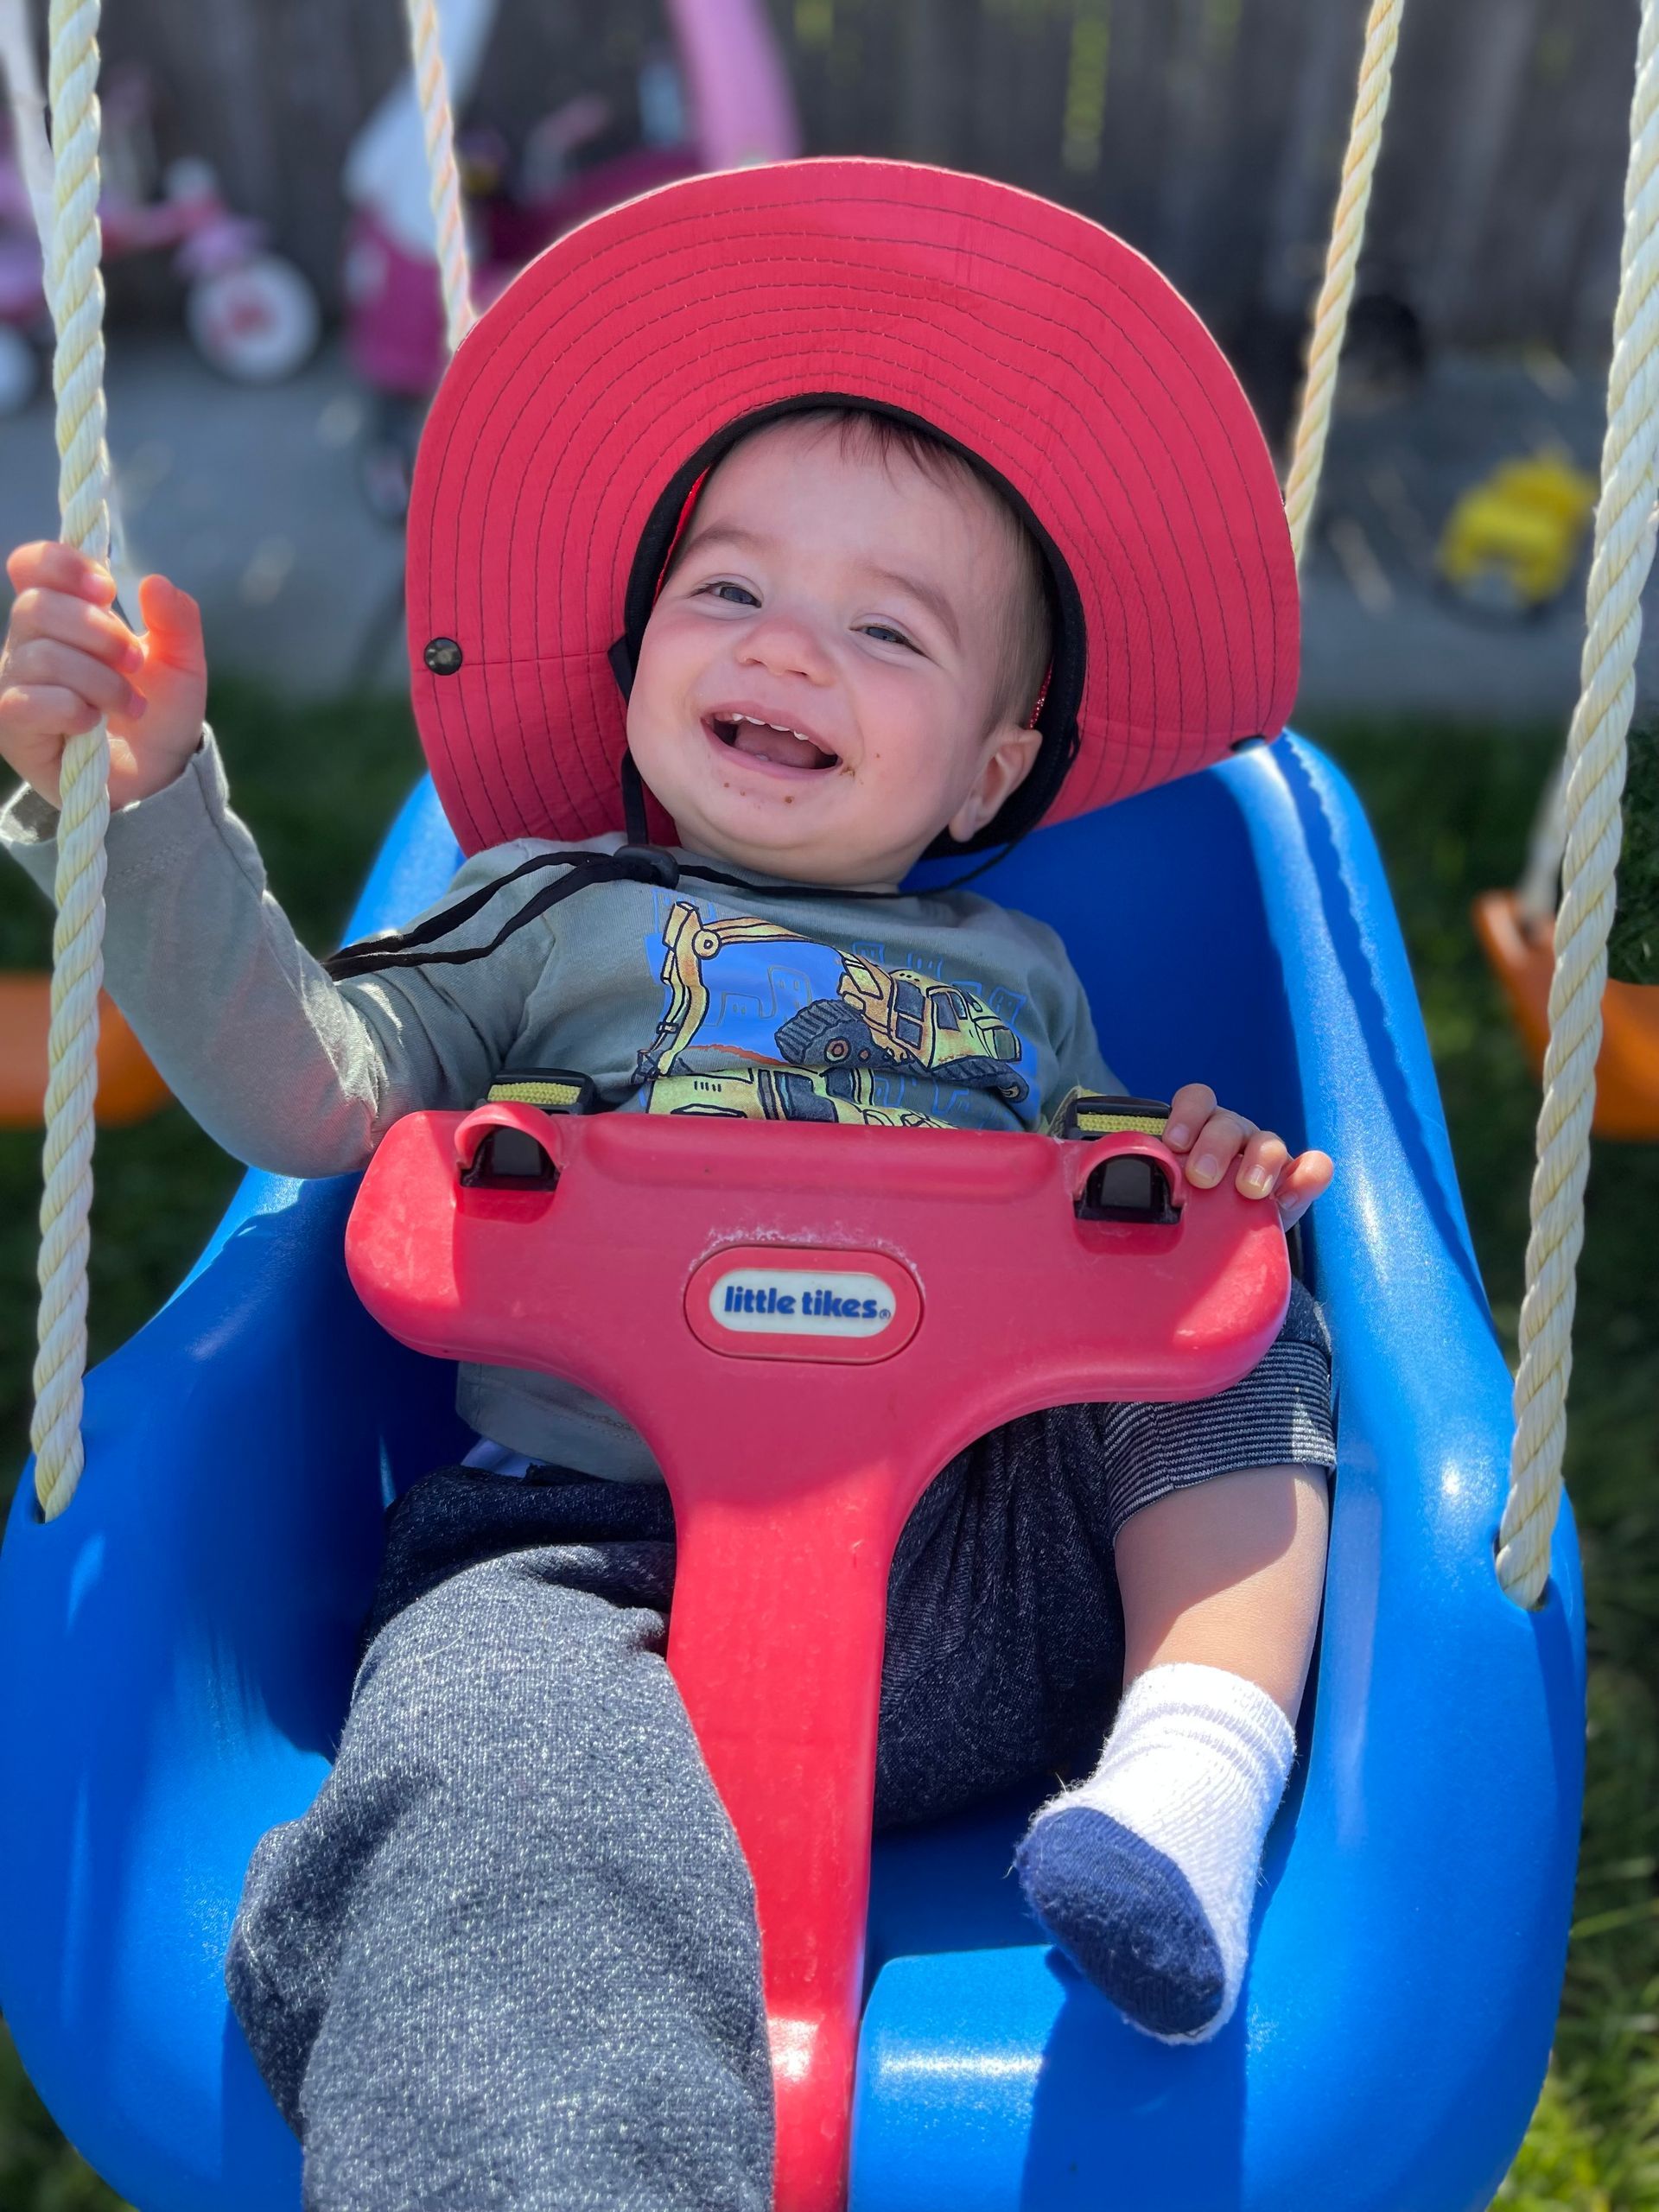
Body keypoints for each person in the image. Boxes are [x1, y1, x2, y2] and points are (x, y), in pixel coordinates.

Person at [0, 161, 1335, 2210]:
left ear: (989, 767)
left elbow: (1110, 1220)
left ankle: (1189, 1775)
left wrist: (1200, 1180)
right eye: (730, 592)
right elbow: (309, 1087)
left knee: (1240, 1300)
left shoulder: (1023, 979)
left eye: (885, 627)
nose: (788, 647)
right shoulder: (546, 911)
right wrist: (160, 812)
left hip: (977, 1573)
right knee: (485, 1779)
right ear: (638, 657)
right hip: (601, 1573)